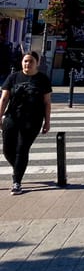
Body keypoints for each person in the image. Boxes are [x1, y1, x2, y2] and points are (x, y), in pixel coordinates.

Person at [0, 51, 52, 195]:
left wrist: (47, 121)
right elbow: (4, 99)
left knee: (22, 148)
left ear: (37, 63)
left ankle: (17, 182)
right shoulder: (13, 77)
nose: (27, 64)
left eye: (30, 61)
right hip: (12, 118)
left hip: (32, 120)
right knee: (7, 150)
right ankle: (18, 168)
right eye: (25, 61)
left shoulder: (42, 79)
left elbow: (47, 102)